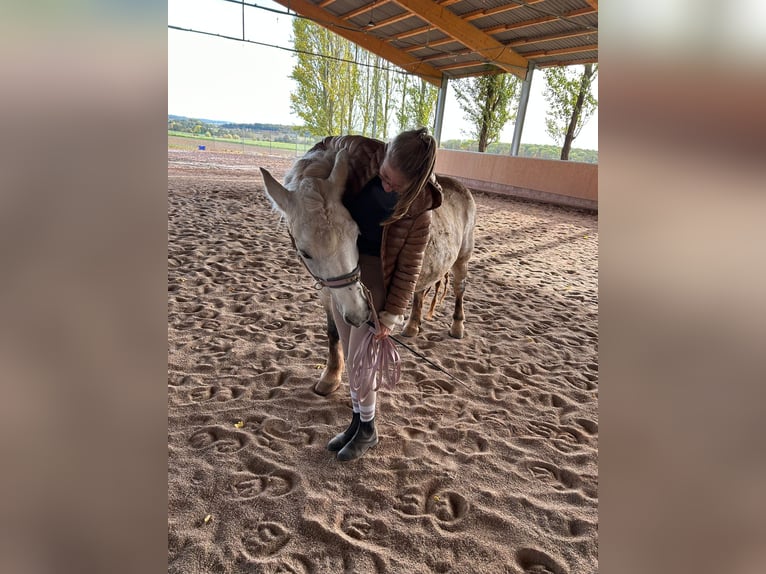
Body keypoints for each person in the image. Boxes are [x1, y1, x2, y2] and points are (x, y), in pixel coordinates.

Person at [307, 128, 442, 461]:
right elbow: (328, 144)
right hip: (343, 270)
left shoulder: (419, 215)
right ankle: (357, 423)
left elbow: (409, 270)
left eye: (396, 186)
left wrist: (391, 315)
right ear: (382, 157)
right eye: (384, 177)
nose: (386, 187)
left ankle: (367, 429)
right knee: (351, 358)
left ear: (415, 183)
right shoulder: (364, 154)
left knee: (360, 362)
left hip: (375, 283)